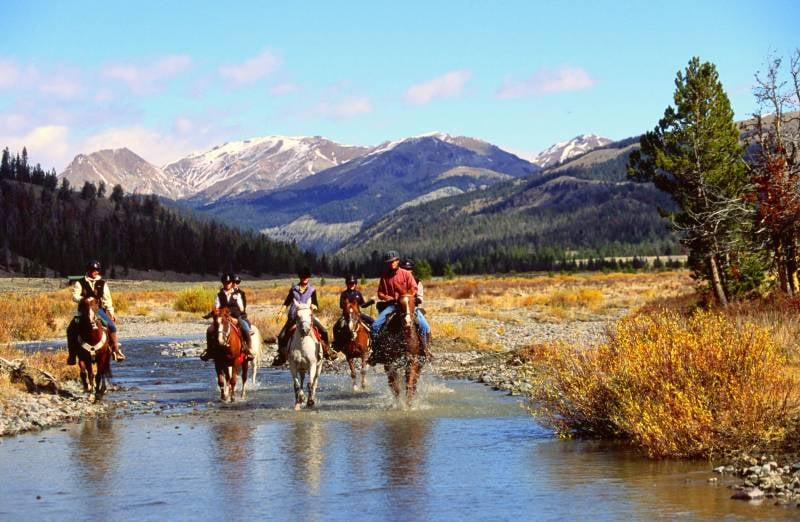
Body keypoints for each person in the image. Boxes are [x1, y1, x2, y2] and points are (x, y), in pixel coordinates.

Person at [370, 251, 430, 362]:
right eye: (389, 262)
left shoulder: (406, 274)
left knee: (424, 326)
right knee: (375, 326)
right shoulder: (384, 277)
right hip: (391, 306)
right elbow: (380, 293)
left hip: (407, 305)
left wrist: (406, 296)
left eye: (393, 261)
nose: (391, 264)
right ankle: (376, 352)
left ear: (398, 261)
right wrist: (387, 297)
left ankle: (425, 349)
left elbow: (414, 288)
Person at [271, 267, 335, 366]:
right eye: (303, 277)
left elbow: (315, 304)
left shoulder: (312, 290)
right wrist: (280, 312)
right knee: (281, 336)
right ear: (300, 278)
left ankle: (327, 351)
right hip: (294, 317)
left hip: (308, 317)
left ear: (308, 278)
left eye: (306, 277)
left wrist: (314, 306)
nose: (305, 278)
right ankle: (282, 356)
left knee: (324, 331)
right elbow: (286, 303)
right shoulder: (294, 290)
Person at [66, 260, 125, 365]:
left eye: (97, 270)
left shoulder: (103, 283)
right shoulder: (80, 282)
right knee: (71, 329)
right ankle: (72, 355)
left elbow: (107, 299)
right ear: (88, 270)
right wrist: (84, 299)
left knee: (112, 326)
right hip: (82, 312)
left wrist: (111, 313)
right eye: (93, 270)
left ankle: (116, 350)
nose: (95, 272)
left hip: (98, 311)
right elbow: (75, 296)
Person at [200, 273, 254, 362]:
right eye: (225, 282)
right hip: (223, 316)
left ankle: (248, 350)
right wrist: (219, 313)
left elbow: (241, 308)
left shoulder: (237, 294)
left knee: (245, 328)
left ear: (231, 283)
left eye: (228, 282)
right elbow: (217, 306)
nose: (227, 284)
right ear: (223, 283)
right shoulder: (219, 295)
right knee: (210, 330)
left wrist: (234, 314)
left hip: (236, 316)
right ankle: (209, 351)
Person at [332, 274, 374, 351]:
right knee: (336, 327)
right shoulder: (344, 294)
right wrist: (347, 306)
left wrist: (370, 302)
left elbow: (362, 305)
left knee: (372, 321)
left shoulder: (358, 294)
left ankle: (373, 342)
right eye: (350, 283)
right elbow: (341, 305)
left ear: (356, 284)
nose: (352, 285)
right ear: (347, 284)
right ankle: (336, 344)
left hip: (358, 314)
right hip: (347, 315)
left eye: (353, 283)